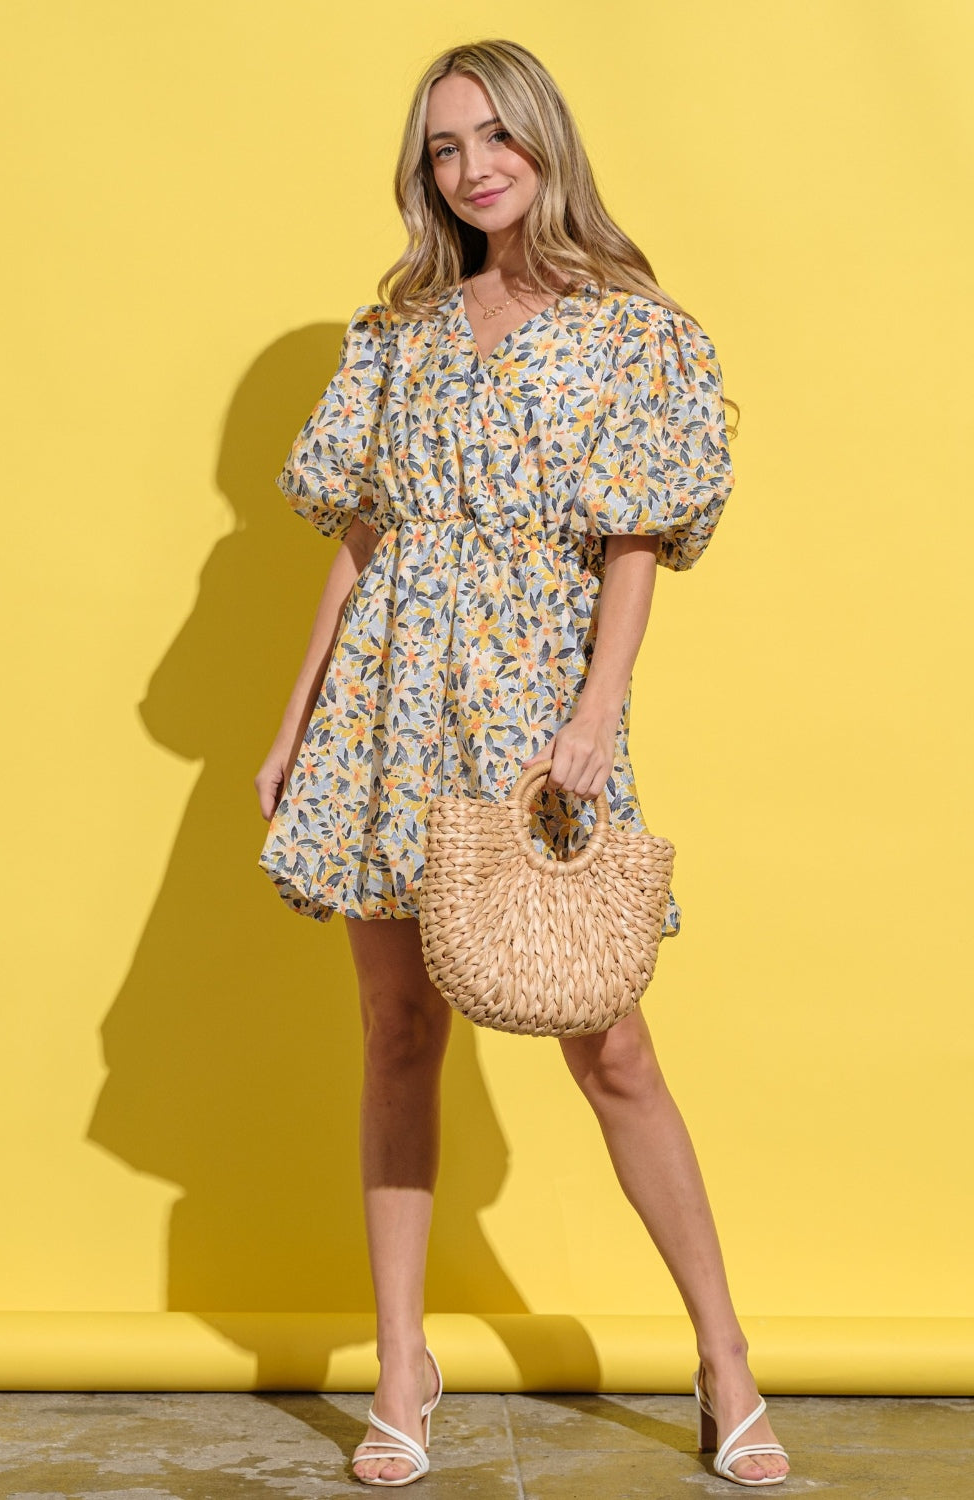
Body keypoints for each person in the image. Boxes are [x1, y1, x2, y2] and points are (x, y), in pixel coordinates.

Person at [254, 38, 790, 1491]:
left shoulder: (637, 332)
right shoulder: (406, 327)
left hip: (540, 703)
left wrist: (599, 712)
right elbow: (363, 531)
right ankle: (402, 1367)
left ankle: (724, 1358)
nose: (473, 165)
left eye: (495, 134)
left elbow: (635, 538)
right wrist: (296, 720)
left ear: (546, 139)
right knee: (397, 1033)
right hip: (387, 705)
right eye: (443, 147)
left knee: (609, 1041)